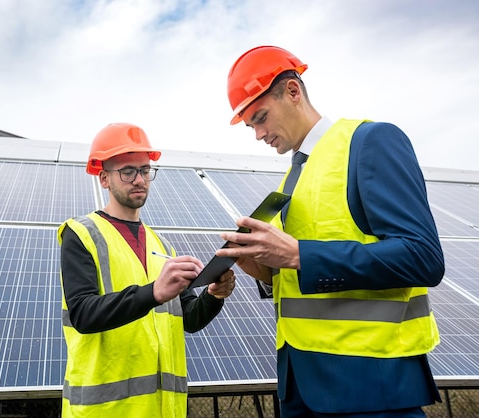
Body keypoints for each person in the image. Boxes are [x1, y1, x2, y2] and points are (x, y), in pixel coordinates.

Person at [216, 46, 445, 417]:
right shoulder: (294, 174)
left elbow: (423, 258)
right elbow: (306, 271)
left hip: (370, 383)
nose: (258, 134)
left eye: (260, 118)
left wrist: (298, 255)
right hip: (300, 386)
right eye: (250, 126)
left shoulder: (370, 142)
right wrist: (268, 274)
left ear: (293, 91)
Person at [57, 122, 236, 417]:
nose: (139, 179)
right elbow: (83, 314)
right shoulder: (81, 234)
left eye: (145, 170)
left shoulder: (161, 244)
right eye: (127, 171)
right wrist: (153, 292)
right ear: (103, 178)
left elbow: (188, 319)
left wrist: (214, 296)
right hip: (105, 412)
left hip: (165, 410)